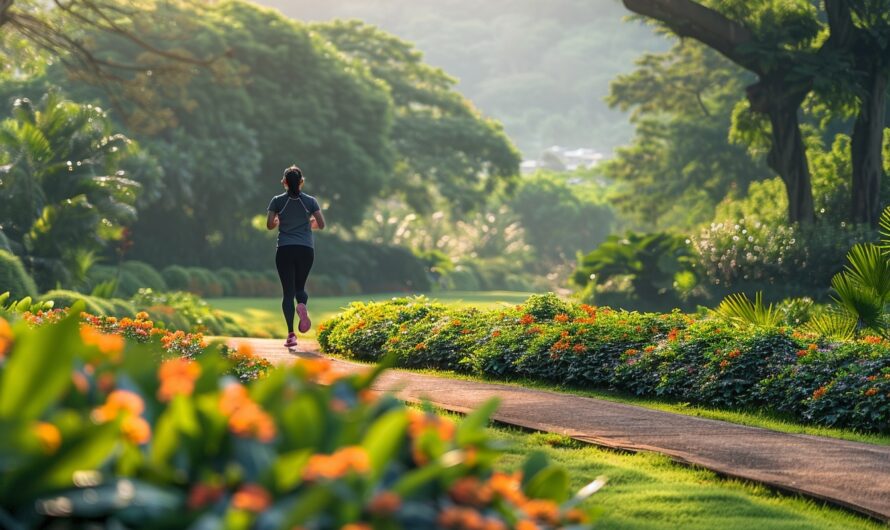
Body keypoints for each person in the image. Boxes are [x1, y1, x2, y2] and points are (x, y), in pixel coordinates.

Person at [266, 165, 325, 348]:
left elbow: (269, 225)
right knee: (300, 287)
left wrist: (277, 220)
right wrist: (309, 224)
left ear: (284, 182)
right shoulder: (310, 201)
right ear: (301, 182)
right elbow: (321, 224)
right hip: (306, 249)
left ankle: (291, 334)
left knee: (287, 293)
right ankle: (302, 304)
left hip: (284, 249)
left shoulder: (277, 201)